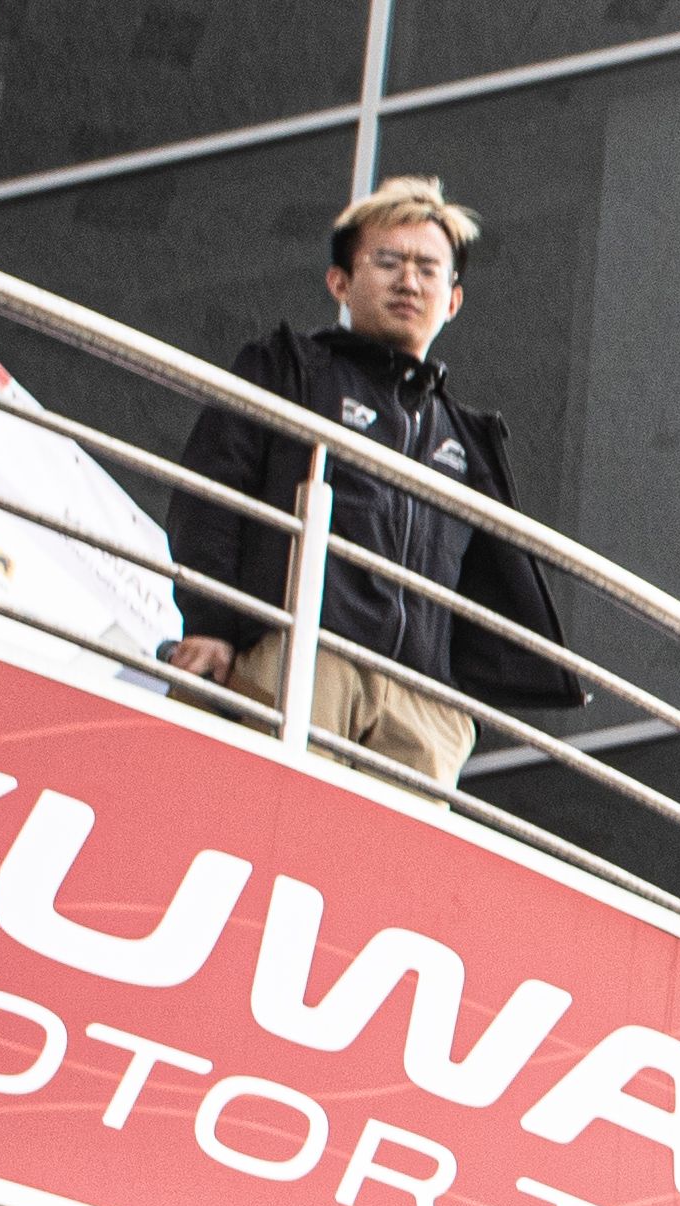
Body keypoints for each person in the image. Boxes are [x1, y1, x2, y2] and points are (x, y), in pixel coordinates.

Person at [164, 175, 583, 786]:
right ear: (340, 282)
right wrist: (210, 621)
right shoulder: (289, 370)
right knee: (271, 817)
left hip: (423, 703)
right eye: (388, 262)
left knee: (386, 852)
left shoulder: (466, 438)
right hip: (306, 654)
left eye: (428, 268)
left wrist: (457, 709)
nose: (409, 281)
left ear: (453, 300)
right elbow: (210, 496)